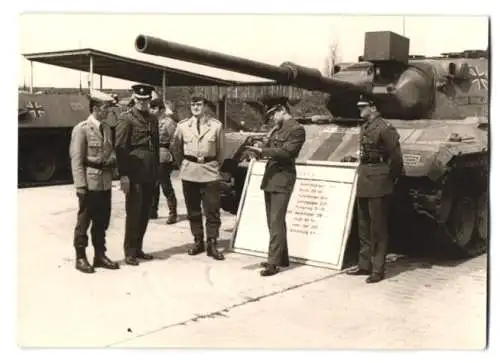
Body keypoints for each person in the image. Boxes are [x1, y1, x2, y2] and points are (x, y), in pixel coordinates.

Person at [245, 96, 306, 277]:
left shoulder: (297, 129)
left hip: (283, 178)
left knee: (276, 221)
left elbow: (287, 153)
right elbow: (269, 146)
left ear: (282, 110)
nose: (271, 118)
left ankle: (273, 263)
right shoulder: (276, 129)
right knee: (273, 221)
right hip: (271, 177)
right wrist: (257, 148)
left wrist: (263, 151)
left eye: (273, 114)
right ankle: (282, 258)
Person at [346, 95, 404, 283]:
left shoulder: (384, 128)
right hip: (365, 179)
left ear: (373, 107)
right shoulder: (366, 127)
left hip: (379, 181)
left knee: (377, 228)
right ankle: (365, 265)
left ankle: (378, 269)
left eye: (363, 107)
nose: (360, 110)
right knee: (363, 226)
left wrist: (389, 179)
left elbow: (396, 158)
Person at [69, 89, 120, 274]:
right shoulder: (81, 129)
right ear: (97, 108)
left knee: (102, 220)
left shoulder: (106, 128)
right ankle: (80, 257)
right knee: (84, 221)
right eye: (106, 107)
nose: (108, 111)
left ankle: (100, 255)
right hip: (89, 183)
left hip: (105, 182)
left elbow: (109, 151)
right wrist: (80, 185)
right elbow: (76, 159)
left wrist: (113, 161)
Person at [170, 93, 225, 260]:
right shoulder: (182, 126)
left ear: (205, 106)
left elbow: (221, 152)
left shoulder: (216, 126)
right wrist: (184, 165)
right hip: (190, 171)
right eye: (193, 105)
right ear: (190, 107)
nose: (196, 107)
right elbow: (177, 149)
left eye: (199, 104)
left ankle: (212, 243)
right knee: (193, 209)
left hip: (209, 171)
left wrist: (214, 165)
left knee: (212, 210)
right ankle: (198, 240)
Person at [115, 84, 160, 266]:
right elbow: (121, 148)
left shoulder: (152, 119)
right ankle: (130, 251)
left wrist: (156, 172)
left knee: (145, 212)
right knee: (133, 212)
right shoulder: (126, 119)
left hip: (149, 172)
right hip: (134, 172)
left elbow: (155, 147)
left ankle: (139, 247)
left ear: (150, 100)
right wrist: (124, 175)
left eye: (146, 100)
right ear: (134, 99)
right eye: (140, 100)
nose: (143, 103)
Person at [150, 98, 179, 224]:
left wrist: (174, 158)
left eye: (154, 108)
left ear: (161, 109)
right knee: (153, 184)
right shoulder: (150, 121)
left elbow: (175, 140)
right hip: (152, 155)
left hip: (163, 154)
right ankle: (152, 210)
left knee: (165, 184)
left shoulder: (168, 122)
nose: (152, 110)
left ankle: (173, 212)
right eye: (151, 108)